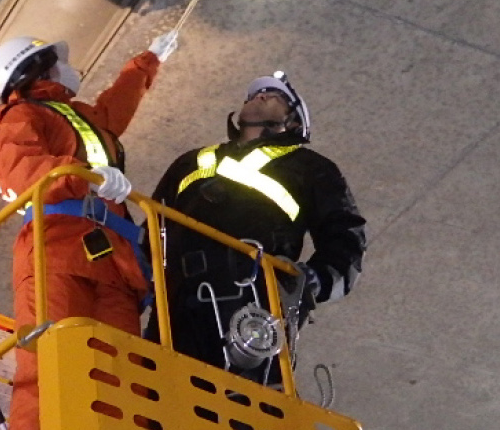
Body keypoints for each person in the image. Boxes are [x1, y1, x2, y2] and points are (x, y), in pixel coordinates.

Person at [0, 30, 177, 430]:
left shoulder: (75, 117)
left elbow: (112, 110)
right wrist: (86, 175)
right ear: (35, 70)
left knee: (125, 376)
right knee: (50, 371)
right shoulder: (18, 116)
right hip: (55, 253)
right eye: (54, 62)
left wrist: (148, 61)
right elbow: (24, 170)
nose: (66, 66)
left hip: (111, 262)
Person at [149, 72, 365, 383]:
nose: (259, 95)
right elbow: (154, 229)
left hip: (248, 296)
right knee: (165, 399)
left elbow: (345, 237)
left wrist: (312, 281)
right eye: (255, 93)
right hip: (176, 301)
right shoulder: (191, 162)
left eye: (274, 95)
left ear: (292, 123)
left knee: (244, 406)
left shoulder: (309, 168)